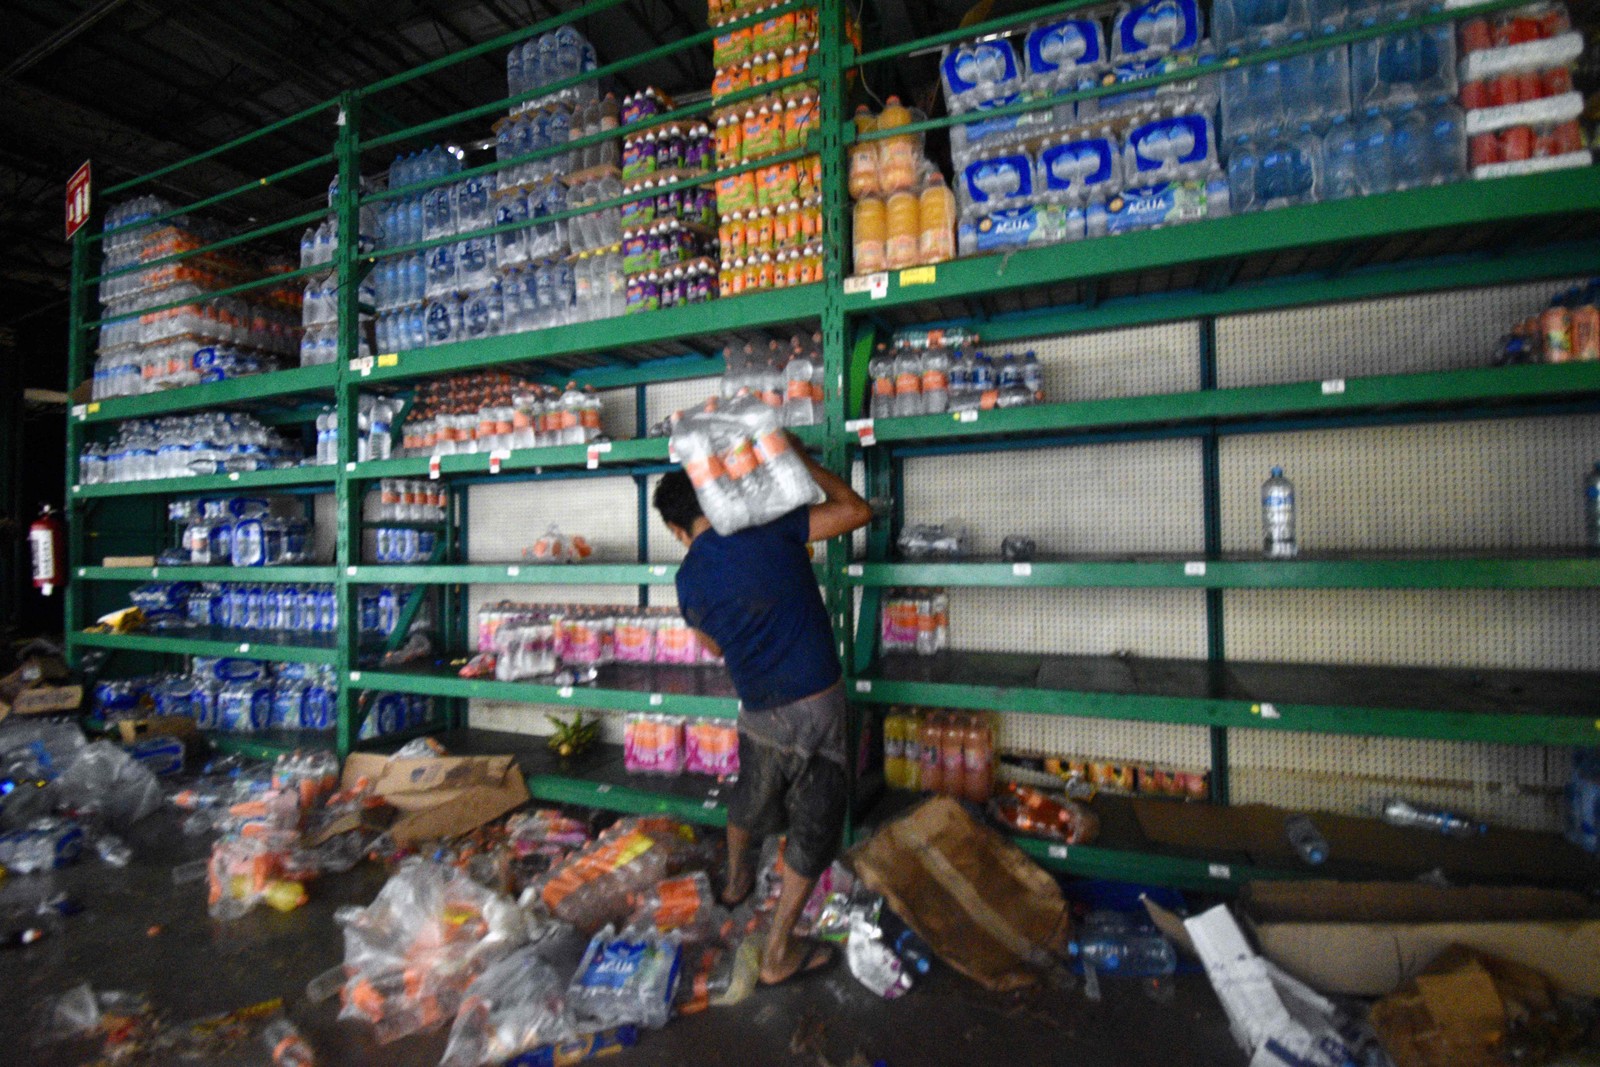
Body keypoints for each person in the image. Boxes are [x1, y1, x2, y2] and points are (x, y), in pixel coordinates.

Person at [653, 439, 871, 986]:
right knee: (814, 826)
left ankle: (734, 885)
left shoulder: (687, 579)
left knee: (751, 794)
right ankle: (776, 953)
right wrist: (803, 460)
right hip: (817, 704)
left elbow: (713, 648)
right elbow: (855, 512)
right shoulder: (768, 527)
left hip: (758, 710)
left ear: (677, 529)